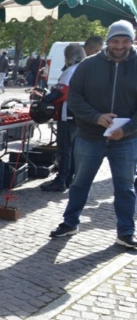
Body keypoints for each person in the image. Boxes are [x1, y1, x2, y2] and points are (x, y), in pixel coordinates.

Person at [49, 20, 137, 249]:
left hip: (126, 140)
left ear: (132, 40)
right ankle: (70, 223)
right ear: (107, 41)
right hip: (90, 135)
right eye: (115, 40)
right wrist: (96, 117)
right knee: (79, 182)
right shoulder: (88, 65)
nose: (120, 45)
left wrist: (126, 129)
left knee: (125, 186)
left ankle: (126, 232)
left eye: (125, 40)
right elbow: (75, 98)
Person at [40, 43, 86, 192]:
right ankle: (69, 178)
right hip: (80, 115)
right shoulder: (84, 69)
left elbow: (61, 92)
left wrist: (44, 100)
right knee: (73, 150)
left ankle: (61, 180)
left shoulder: (71, 70)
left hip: (68, 114)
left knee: (65, 149)